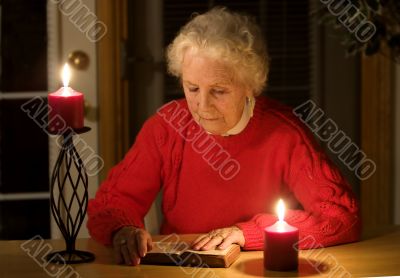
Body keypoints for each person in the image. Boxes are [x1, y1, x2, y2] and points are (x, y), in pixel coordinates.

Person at [87, 7, 361, 266]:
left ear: (250, 86)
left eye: (219, 91)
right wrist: (123, 229)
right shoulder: (166, 127)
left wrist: (248, 233)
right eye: (192, 88)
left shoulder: (285, 132)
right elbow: (110, 205)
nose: (202, 106)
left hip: (258, 267)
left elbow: (341, 217)